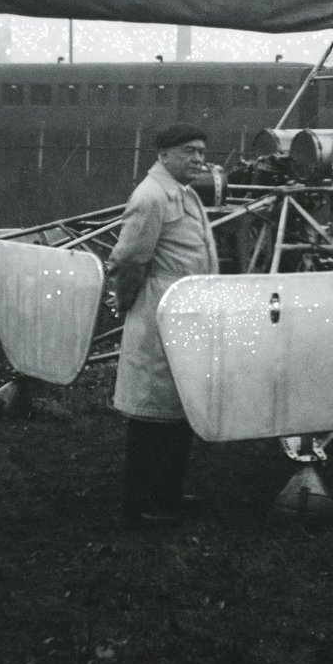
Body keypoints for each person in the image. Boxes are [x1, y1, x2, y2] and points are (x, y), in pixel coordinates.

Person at [105, 123, 220, 525]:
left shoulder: (183, 193)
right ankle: (140, 503)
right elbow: (130, 259)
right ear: (164, 154)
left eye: (202, 152)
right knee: (151, 412)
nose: (199, 159)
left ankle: (167, 494)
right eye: (189, 151)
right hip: (159, 310)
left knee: (179, 405)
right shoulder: (151, 196)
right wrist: (128, 303)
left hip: (186, 309)